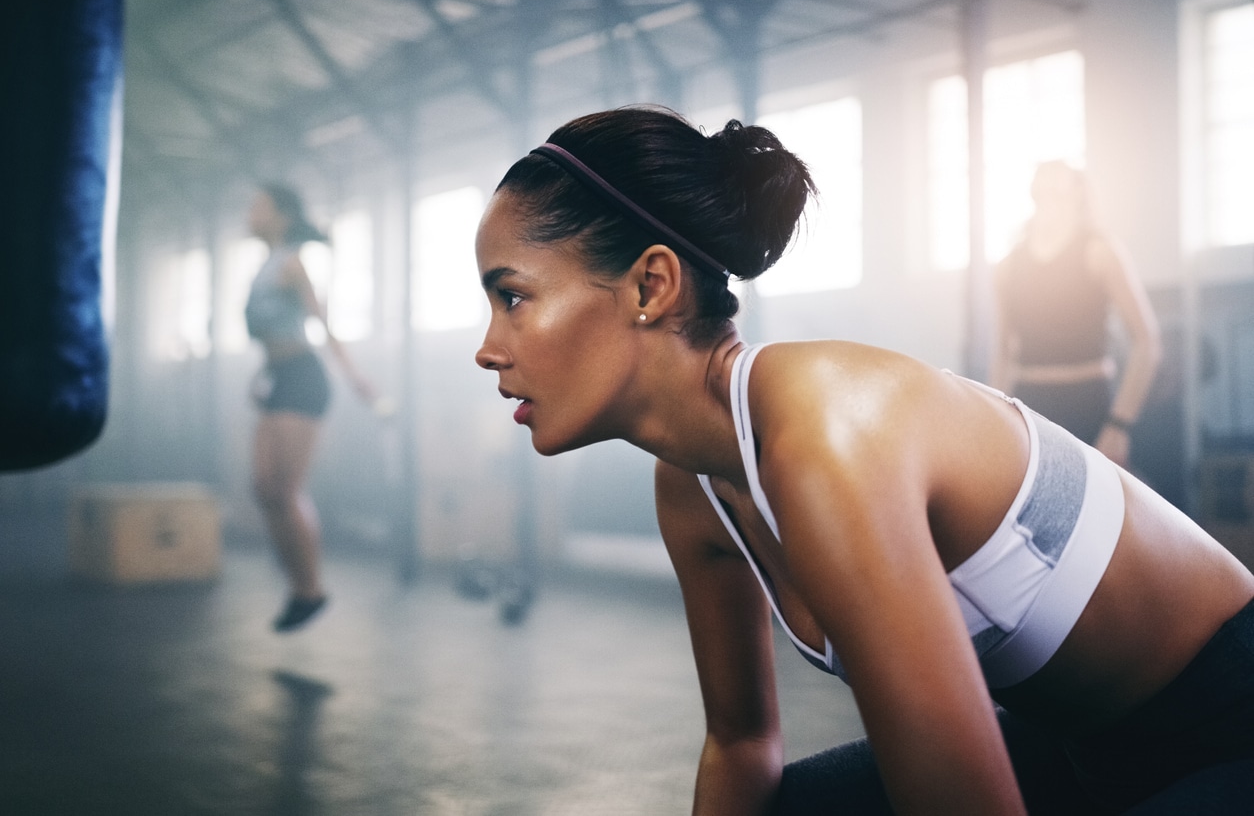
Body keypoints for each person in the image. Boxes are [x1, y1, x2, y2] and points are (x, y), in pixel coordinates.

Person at [472, 106, 1254, 814]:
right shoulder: (689, 488)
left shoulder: (829, 432)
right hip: (1080, 748)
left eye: (512, 296)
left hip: (1228, 725)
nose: (487, 348)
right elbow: (743, 744)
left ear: (652, 283)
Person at [245, 184, 376, 632]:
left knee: (286, 489)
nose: (249, 212)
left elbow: (322, 323)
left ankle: (309, 589)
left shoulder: (292, 263)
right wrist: (261, 377)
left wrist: (356, 378)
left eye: (257, 205)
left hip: (303, 378)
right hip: (277, 378)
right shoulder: (265, 264)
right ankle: (298, 589)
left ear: (280, 215)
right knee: (263, 488)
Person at [991, 161, 1162, 469]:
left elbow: (1147, 341)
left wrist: (1119, 425)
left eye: (1058, 185)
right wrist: (995, 420)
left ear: (1078, 192)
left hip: (1089, 405)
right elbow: (1004, 353)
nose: (1050, 192)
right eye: (1042, 186)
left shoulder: (1100, 253)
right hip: (1029, 407)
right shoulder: (1007, 267)